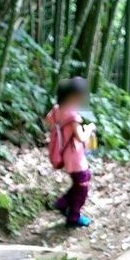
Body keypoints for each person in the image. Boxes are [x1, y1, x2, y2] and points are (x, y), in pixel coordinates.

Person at [45, 77, 96, 228]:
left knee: (78, 183)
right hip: (75, 158)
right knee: (83, 185)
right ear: (74, 96)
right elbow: (81, 137)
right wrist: (89, 128)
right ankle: (74, 216)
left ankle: (63, 203)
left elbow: (49, 121)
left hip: (65, 155)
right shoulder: (73, 115)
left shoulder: (56, 109)